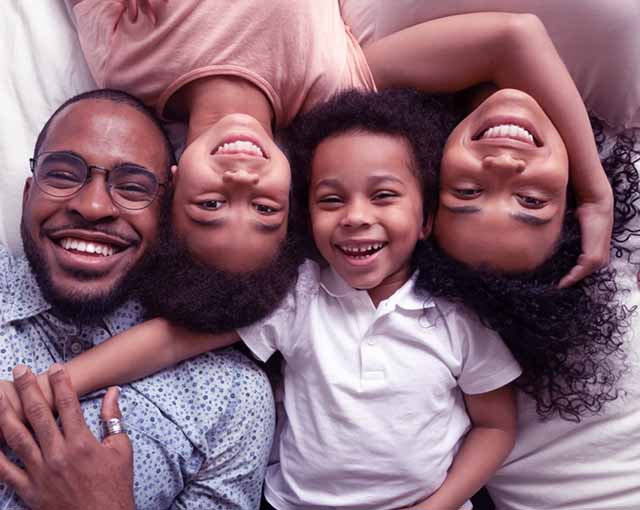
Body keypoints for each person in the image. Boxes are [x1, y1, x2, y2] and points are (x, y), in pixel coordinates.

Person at [3, 89, 524, 509]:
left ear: (427, 218)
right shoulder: (301, 295)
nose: (356, 217)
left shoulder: (458, 316)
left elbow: (497, 425)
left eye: (383, 195)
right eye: (331, 199)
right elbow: (170, 341)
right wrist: (48, 389)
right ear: (306, 217)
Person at [68, 0, 612, 286]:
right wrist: (593, 192)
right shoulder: (337, 91)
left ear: (171, 185)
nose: (239, 178)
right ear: (293, 197)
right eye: (264, 208)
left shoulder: (125, 65)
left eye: (210, 205)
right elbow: (512, 38)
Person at [0, 89, 275, 509]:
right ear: (27, 196)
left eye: (132, 187)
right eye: (62, 175)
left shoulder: (233, 400)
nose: (93, 206)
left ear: (168, 217)